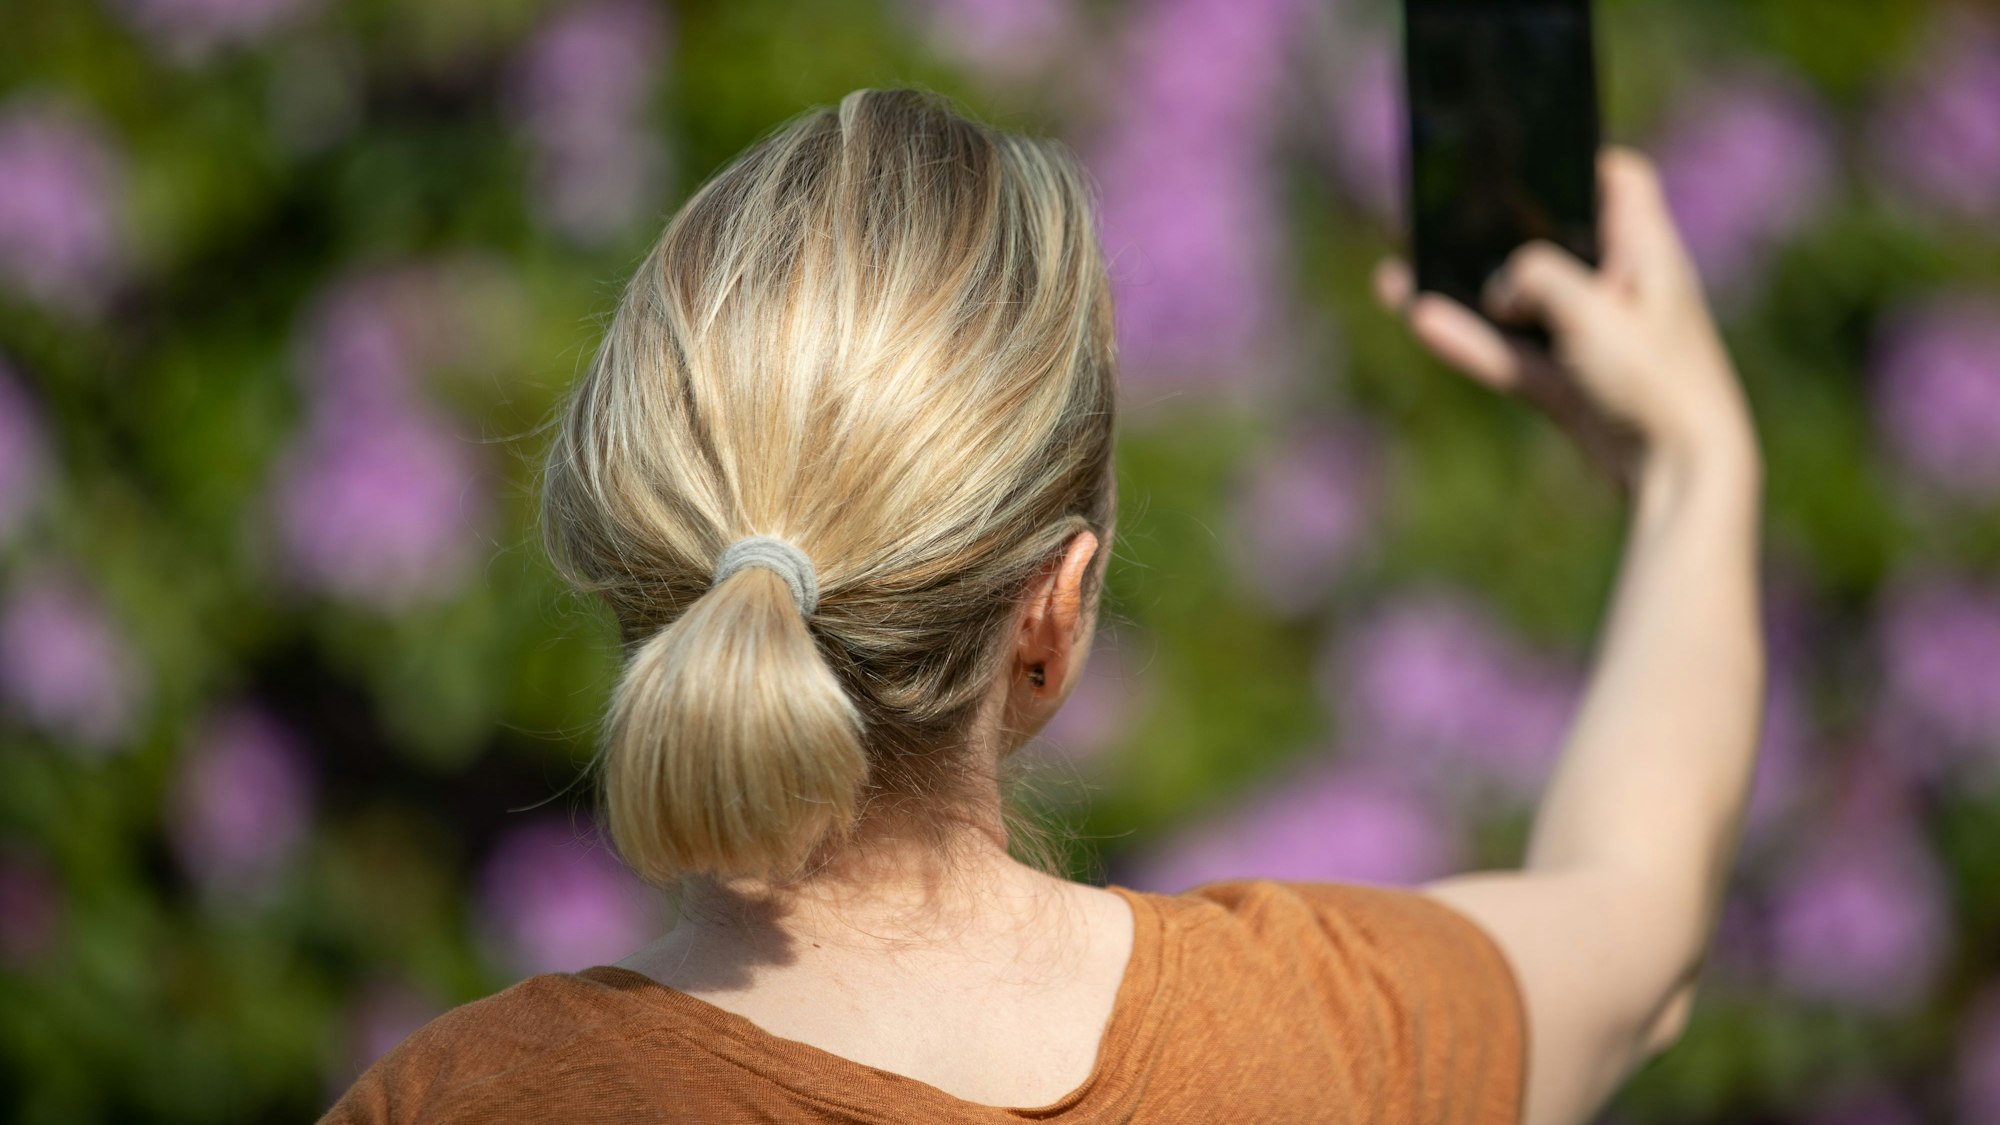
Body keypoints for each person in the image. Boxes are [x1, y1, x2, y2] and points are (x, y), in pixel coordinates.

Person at [321, 86, 1764, 1125]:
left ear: (642, 573)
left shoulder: (463, 1100)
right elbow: (1637, 919)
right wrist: (1697, 469)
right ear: (1053, 616)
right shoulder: (1320, 1037)